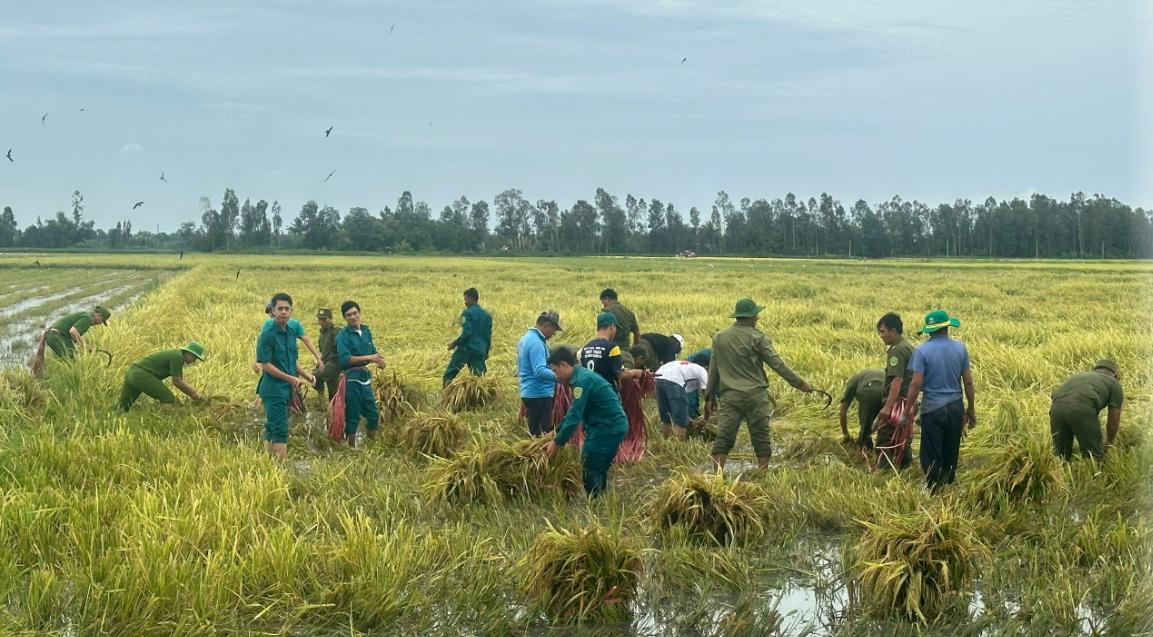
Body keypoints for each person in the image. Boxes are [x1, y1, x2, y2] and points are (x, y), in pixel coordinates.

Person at [706, 298, 813, 470]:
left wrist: (709, 396)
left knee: (724, 437)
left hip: (730, 396)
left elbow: (713, 369)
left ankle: (716, 475)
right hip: (755, 396)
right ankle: (763, 473)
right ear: (750, 317)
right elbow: (777, 364)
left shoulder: (719, 337)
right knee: (761, 436)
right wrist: (800, 384)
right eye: (756, 315)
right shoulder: (757, 337)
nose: (758, 318)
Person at [900, 309, 976, 494]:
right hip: (956, 407)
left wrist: (906, 412)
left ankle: (935, 490)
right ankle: (948, 486)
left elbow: (915, 384)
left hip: (933, 410)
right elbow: (968, 381)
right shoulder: (960, 348)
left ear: (929, 330)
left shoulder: (921, 351)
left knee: (930, 454)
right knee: (951, 450)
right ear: (947, 328)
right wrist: (971, 410)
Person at [544, 347, 628, 497]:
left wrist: (557, 442)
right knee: (598, 466)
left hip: (607, 427)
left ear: (564, 365)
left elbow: (575, 416)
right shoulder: (580, 377)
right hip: (607, 426)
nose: (556, 376)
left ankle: (595, 502)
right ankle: (600, 498)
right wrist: (556, 431)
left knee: (590, 466)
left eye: (555, 371)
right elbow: (573, 411)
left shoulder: (582, 381)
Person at [256, 293, 315, 460]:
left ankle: (269, 462)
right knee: (280, 429)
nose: (283, 312)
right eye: (280, 308)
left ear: (291, 311)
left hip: (286, 389)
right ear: (273, 311)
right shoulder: (267, 334)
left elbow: (291, 361)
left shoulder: (291, 332)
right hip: (273, 389)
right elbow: (265, 365)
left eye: (286, 309)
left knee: (272, 427)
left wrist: (305, 375)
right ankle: (281, 468)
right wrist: (291, 379)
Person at [1049, 360, 1123, 461]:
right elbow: (1114, 420)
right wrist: (1109, 442)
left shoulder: (1078, 376)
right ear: (1114, 375)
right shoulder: (1113, 382)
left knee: (1060, 456)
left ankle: (1060, 469)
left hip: (1056, 408)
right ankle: (1095, 469)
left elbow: (1055, 395)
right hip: (1082, 408)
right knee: (1093, 457)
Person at [336, 300, 387, 446]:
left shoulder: (366, 331)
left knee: (373, 414)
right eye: (349, 315)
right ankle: (352, 448)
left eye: (355, 313)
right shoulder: (343, 336)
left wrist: (379, 360)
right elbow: (345, 359)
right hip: (352, 379)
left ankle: (371, 444)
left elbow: (372, 351)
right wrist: (369, 358)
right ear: (344, 318)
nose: (353, 317)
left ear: (359, 313)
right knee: (353, 416)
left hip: (365, 378)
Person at [874, 312, 916, 470]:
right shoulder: (909, 347)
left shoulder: (897, 351)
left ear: (893, 331)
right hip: (908, 404)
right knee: (902, 439)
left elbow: (897, 380)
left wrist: (887, 408)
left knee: (885, 439)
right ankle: (906, 470)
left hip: (897, 405)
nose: (880, 336)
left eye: (882, 331)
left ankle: (883, 474)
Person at [118, 341, 205, 411]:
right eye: (195, 358)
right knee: (168, 398)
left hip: (132, 372)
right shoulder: (178, 357)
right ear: (189, 353)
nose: (194, 361)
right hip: (142, 375)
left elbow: (179, 380)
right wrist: (196, 395)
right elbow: (177, 381)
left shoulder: (175, 354)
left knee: (123, 408)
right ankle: (165, 421)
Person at [518, 310, 562, 436]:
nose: (554, 334)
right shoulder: (536, 343)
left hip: (530, 391)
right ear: (547, 325)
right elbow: (539, 371)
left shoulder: (526, 338)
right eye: (554, 330)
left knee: (535, 431)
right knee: (540, 434)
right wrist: (560, 377)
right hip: (539, 394)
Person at [253, 299, 322, 373]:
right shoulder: (293, 323)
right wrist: (317, 357)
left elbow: (306, 340)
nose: (270, 314)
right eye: (269, 312)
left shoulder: (293, 324)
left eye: (271, 311)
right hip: (280, 361)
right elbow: (262, 345)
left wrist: (317, 357)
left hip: (282, 361)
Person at [443, 287, 493, 387]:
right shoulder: (487, 316)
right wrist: (486, 352)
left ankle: (446, 393)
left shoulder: (466, 313)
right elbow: (488, 337)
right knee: (479, 380)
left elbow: (467, 333)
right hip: (480, 351)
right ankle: (478, 396)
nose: (465, 302)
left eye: (466, 299)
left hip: (465, 350)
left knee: (449, 375)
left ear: (471, 298)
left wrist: (455, 343)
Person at [654, 359, 709, 440]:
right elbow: (708, 398)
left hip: (658, 376)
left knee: (667, 417)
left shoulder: (689, 369)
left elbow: (677, 402)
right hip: (673, 378)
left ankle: (665, 443)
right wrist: (706, 418)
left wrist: (687, 417)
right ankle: (679, 443)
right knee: (681, 422)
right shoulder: (703, 371)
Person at [838, 369, 885, 448]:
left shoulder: (852, 382)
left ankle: (863, 446)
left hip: (868, 390)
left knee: (865, 426)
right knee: (885, 417)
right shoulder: (876, 374)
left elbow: (843, 411)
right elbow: (882, 417)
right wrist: (870, 432)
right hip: (888, 390)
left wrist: (846, 434)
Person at [45, 305, 112, 359]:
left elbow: (77, 334)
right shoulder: (87, 318)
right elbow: (73, 331)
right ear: (99, 315)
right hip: (56, 336)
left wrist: (86, 345)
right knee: (71, 359)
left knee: (74, 355)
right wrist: (85, 346)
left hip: (59, 336)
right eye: (102, 320)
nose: (100, 323)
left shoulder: (86, 316)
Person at [579, 312, 624, 389]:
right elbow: (620, 374)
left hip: (589, 392)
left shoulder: (585, 348)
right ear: (612, 327)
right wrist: (636, 372)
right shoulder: (613, 347)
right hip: (606, 392)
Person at [600, 288, 641, 367]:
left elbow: (603, 332)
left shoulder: (607, 311)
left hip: (610, 352)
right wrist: (635, 351)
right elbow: (637, 334)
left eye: (603, 303)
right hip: (625, 352)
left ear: (607, 298)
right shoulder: (629, 312)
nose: (603, 305)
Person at [313, 308, 341, 401]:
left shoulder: (336, 331)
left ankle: (320, 399)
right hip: (326, 362)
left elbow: (341, 349)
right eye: (319, 319)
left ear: (330, 318)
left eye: (324, 319)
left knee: (317, 375)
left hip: (335, 362)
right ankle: (330, 405)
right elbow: (323, 351)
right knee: (333, 387)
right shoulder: (322, 333)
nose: (321, 321)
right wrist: (320, 361)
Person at [685, 348, 713, 419]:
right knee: (691, 390)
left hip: (698, 362)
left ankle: (694, 413)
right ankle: (691, 414)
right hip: (692, 365)